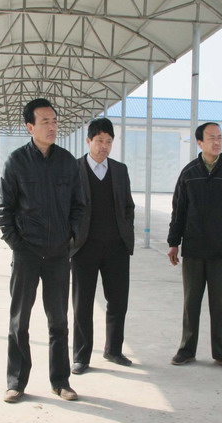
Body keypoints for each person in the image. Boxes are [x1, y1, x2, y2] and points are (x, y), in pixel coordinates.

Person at [0, 98, 86, 403]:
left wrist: (70, 237)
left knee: (58, 321)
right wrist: (16, 243)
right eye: (45, 121)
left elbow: (79, 205)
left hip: (58, 254)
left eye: (54, 121)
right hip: (27, 253)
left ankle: (61, 381)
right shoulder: (16, 162)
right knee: (19, 321)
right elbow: (3, 208)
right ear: (30, 127)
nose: (52, 126)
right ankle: (16, 382)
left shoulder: (67, 162)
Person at [167, 122, 222, 370]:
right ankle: (186, 350)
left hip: (220, 251)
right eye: (212, 137)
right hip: (193, 249)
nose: (217, 142)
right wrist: (174, 242)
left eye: (220, 137)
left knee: (219, 305)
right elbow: (179, 210)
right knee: (191, 303)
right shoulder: (189, 173)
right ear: (200, 142)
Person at [70, 118, 135, 375]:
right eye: (99, 141)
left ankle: (114, 350)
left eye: (108, 141)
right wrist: (72, 237)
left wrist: (126, 231)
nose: (104, 146)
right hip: (84, 247)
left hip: (116, 247)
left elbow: (128, 205)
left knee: (118, 301)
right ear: (88, 141)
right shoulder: (74, 169)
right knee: (82, 303)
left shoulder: (120, 170)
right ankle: (81, 356)